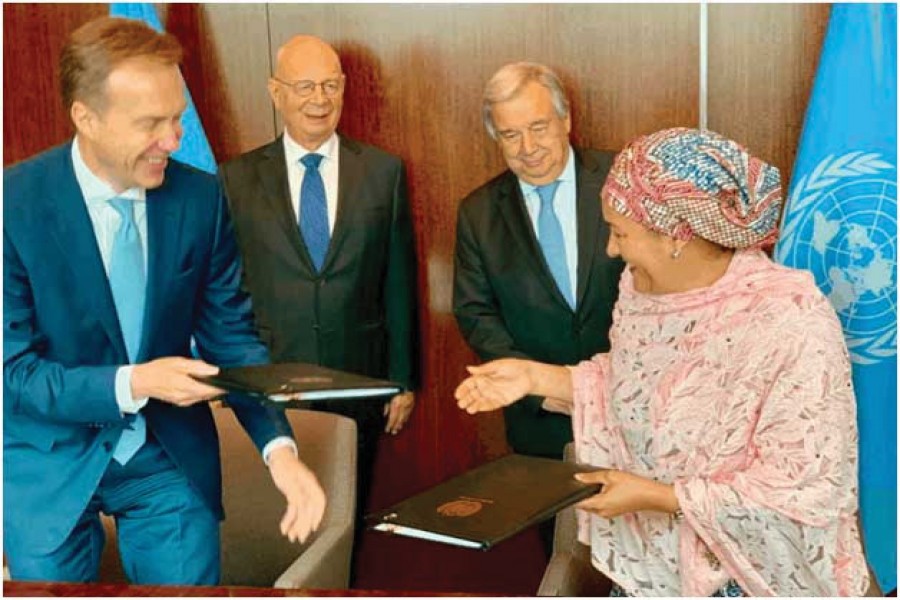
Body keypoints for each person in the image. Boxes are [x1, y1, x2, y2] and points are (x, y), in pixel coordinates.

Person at [455, 127, 870, 596]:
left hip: (752, 581)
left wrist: (658, 496)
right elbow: (638, 387)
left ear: (676, 236)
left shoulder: (790, 321)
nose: (611, 249)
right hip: (654, 573)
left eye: (619, 233)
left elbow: (803, 488)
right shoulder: (640, 293)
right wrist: (532, 376)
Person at [3, 17, 325, 585]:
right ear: (86, 117)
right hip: (51, 460)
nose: (174, 141)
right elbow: (15, 373)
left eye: (176, 118)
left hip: (165, 454)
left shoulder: (200, 198)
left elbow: (233, 338)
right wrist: (137, 381)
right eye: (151, 123)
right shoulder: (14, 204)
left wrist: (280, 452)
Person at [219, 35, 418, 534]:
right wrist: (228, 380)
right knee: (276, 526)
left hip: (359, 384)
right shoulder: (234, 180)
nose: (320, 99)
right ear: (276, 92)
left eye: (331, 85)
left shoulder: (383, 172)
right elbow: (223, 291)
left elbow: (399, 283)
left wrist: (403, 379)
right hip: (269, 388)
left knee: (346, 523)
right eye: (305, 86)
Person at [453, 61, 623, 462]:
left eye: (538, 127)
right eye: (511, 135)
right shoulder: (478, 213)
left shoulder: (621, 179)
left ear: (566, 120)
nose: (528, 148)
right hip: (541, 421)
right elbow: (476, 314)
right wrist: (540, 390)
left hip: (630, 408)